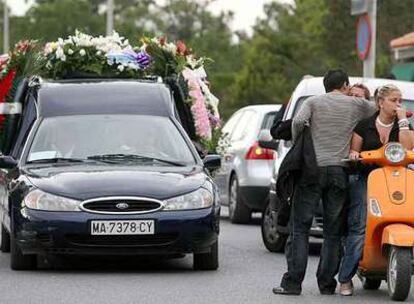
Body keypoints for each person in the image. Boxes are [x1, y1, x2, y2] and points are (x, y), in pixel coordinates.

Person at [273, 69, 376, 296]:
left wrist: (300, 138)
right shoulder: (356, 104)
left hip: (311, 170)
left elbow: (298, 121)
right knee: (333, 232)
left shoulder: (314, 101)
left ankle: (292, 283)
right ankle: (327, 284)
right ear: (346, 85)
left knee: (300, 228)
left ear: (326, 86)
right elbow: (377, 110)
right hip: (339, 171)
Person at [338, 84, 414, 296]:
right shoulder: (364, 125)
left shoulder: (402, 125)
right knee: (360, 225)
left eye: (400, 101)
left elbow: (408, 148)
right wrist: (355, 155)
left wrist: (403, 120)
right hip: (367, 178)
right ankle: (345, 279)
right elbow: (354, 149)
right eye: (393, 100)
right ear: (380, 102)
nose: (398, 104)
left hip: (398, 179)